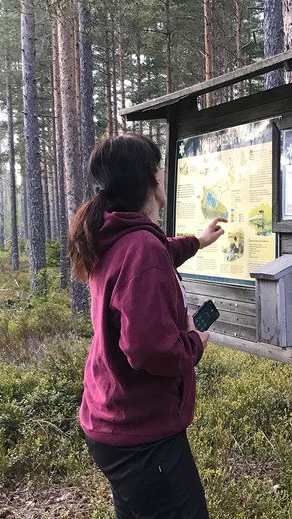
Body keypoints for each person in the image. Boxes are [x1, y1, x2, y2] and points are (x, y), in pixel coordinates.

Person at [68, 133, 227, 518]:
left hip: (115, 422)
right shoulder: (141, 248)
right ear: (154, 178)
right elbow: (149, 350)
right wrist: (194, 341)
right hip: (143, 439)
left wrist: (198, 241)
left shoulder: (114, 235)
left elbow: (159, 250)